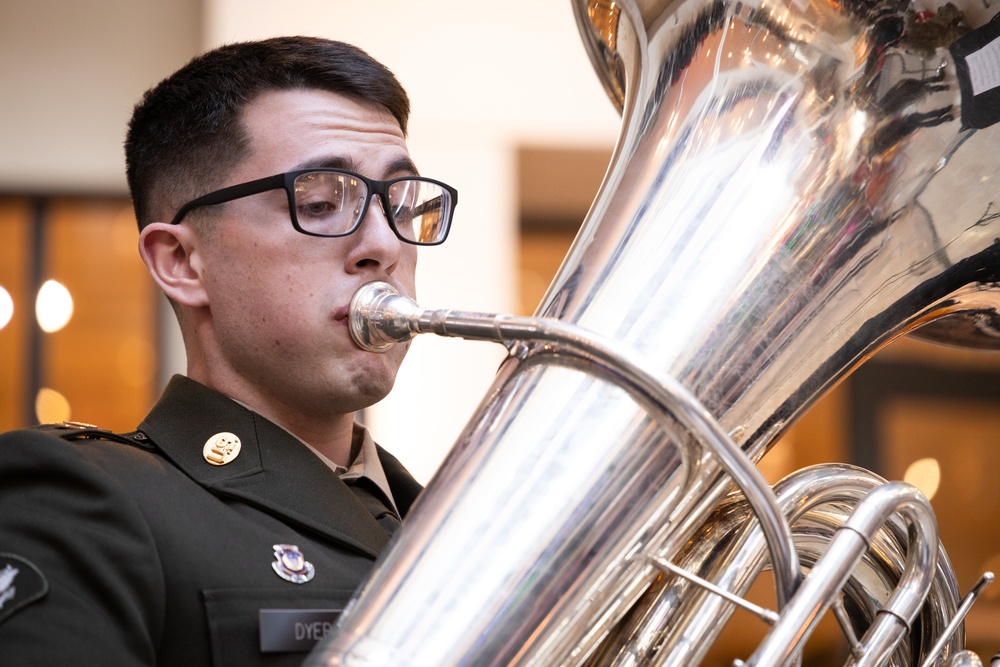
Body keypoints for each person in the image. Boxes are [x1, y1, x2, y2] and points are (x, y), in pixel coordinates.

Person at [0, 35, 457, 666]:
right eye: (322, 202)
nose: (384, 244)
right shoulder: (77, 499)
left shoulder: (445, 523)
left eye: (402, 204)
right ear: (183, 261)